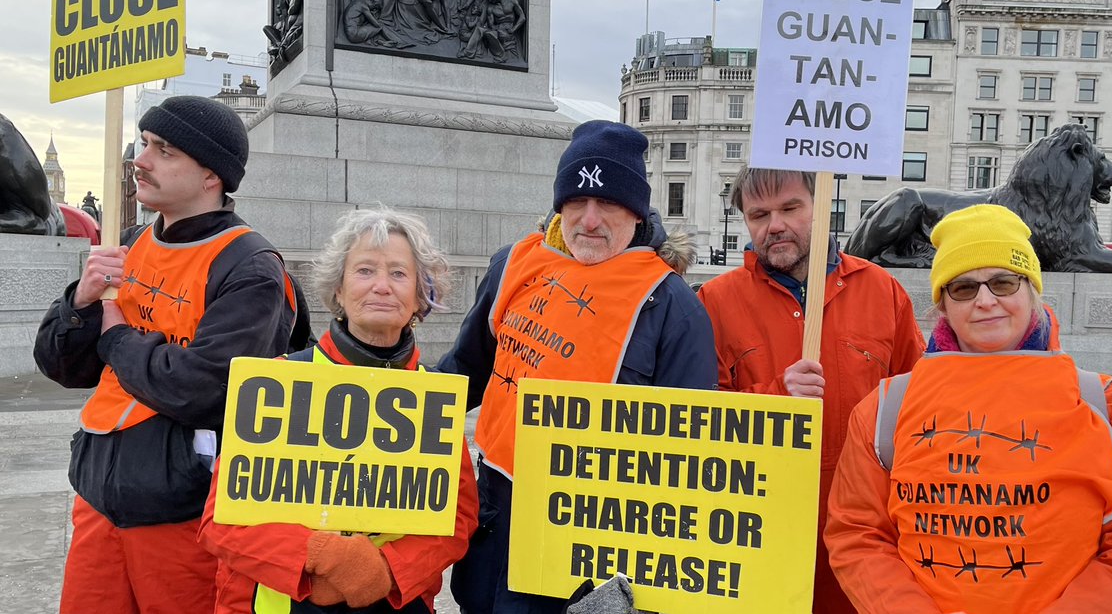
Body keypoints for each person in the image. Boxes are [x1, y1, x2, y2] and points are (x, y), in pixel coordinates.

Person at [825, 204, 1112, 613]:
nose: (985, 301)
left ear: (1031, 289)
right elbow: (858, 535)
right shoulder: (885, 409)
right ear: (942, 304)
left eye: (1003, 282)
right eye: (963, 287)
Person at [438, 120, 719, 613]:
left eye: (608, 203)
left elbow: (686, 456)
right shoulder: (514, 265)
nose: (589, 220)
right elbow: (465, 371)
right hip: (495, 525)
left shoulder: (673, 306)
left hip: (587, 552)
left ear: (635, 212)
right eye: (576, 201)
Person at [33, 95, 297, 613]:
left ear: (211, 176)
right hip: (98, 501)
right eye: (146, 143)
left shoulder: (252, 268)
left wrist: (115, 339)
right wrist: (81, 303)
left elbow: (197, 389)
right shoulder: (128, 242)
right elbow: (60, 367)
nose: (142, 159)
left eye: (165, 150)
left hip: (184, 517)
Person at [200, 207, 479, 613]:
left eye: (399, 273)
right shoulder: (278, 382)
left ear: (421, 295)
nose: (382, 286)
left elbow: (458, 518)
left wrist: (386, 569)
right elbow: (219, 522)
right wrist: (315, 556)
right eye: (365, 270)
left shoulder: (434, 396)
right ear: (337, 291)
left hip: (393, 600)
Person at [695, 167, 925, 614]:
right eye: (759, 214)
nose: (774, 225)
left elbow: (918, 406)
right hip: (758, 533)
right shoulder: (715, 302)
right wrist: (778, 397)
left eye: (790, 208)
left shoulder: (884, 292)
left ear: (822, 209)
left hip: (865, 533)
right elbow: (698, 416)